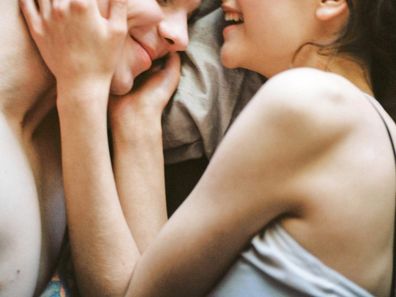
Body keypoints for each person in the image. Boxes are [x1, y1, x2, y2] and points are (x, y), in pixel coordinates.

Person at [21, 0, 396, 297]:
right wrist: (138, 125)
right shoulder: (375, 133)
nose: (224, 4)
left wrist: (80, 86)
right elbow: (143, 280)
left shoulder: (311, 104)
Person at [1, 0, 198, 296]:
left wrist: (136, 122)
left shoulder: (65, 131)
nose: (181, 37)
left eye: (190, 18)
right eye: (164, 0)